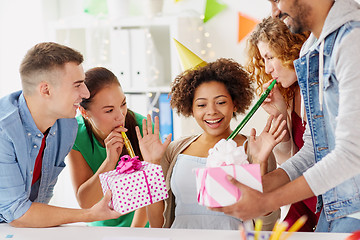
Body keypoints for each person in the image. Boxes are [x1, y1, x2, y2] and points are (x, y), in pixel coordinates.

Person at [211, 0, 360, 233]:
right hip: (333, 205)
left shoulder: (352, 40)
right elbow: (312, 151)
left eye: (277, 0)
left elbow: (351, 154)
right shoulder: (314, 51)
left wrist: (267, 199)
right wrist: (257, 186)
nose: (274, 12)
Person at [138, 58, 287, 230]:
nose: (212, 111)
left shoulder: (256, 148)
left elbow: (266, 227)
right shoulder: (174, 151)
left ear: (235, 103)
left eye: (221, 102)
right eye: (201, 104)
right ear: (191, 109)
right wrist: (153, 164)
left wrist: (260, 162)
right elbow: (157, 225)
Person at [0, 42, 121, 227]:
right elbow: (17, 213)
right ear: (46, 90)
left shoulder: (66, 126)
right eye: (77, 85)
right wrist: (89, 214)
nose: (85, 93)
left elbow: (39, 200)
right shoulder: (4, 130)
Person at [246, 17, 318, 232]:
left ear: (291, 50)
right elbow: (290, 159)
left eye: (270, 57)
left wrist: (261, 187)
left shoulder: (316, 90)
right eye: (263, 60)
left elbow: (312, 157)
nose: (267, 69)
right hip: (305, 198)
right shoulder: (291, 94)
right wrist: (280, 116)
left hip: (325, 197)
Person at [67, 67, 148, 227]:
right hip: (100, 229)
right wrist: (110, 162)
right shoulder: (75, 134)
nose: (120, 116)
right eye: (109, 110)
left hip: (141, 229)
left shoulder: (144, 129)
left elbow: (151, 196)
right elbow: (85, 202)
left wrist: (133, 235)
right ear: (84, 112)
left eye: (123, 104)